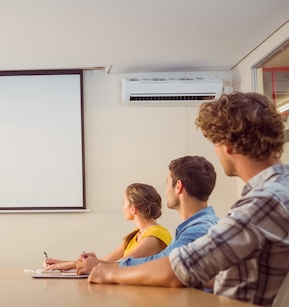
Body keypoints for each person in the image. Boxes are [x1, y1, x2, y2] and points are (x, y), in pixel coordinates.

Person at [88, 92, 289, 306]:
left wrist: (109, 274)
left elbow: (180, 269)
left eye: (214, 143)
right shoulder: (277, 190)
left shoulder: (264, 201)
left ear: (227, 145)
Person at [75, 155, 219, 274]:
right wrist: (99, 264)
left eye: (167, 183)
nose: (166, 190)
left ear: (178, 186)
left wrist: (100, 267)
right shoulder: (195, 226)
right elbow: (159, 260)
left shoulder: (198, 229)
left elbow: (167, 267)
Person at [44, 183, 172, 271]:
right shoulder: (136, 234)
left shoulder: (155, 236)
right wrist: (67, 263)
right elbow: (104, 262)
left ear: (133, 209)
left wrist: (72, 264)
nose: (122, 207)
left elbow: (120, 265)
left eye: (124, 203)